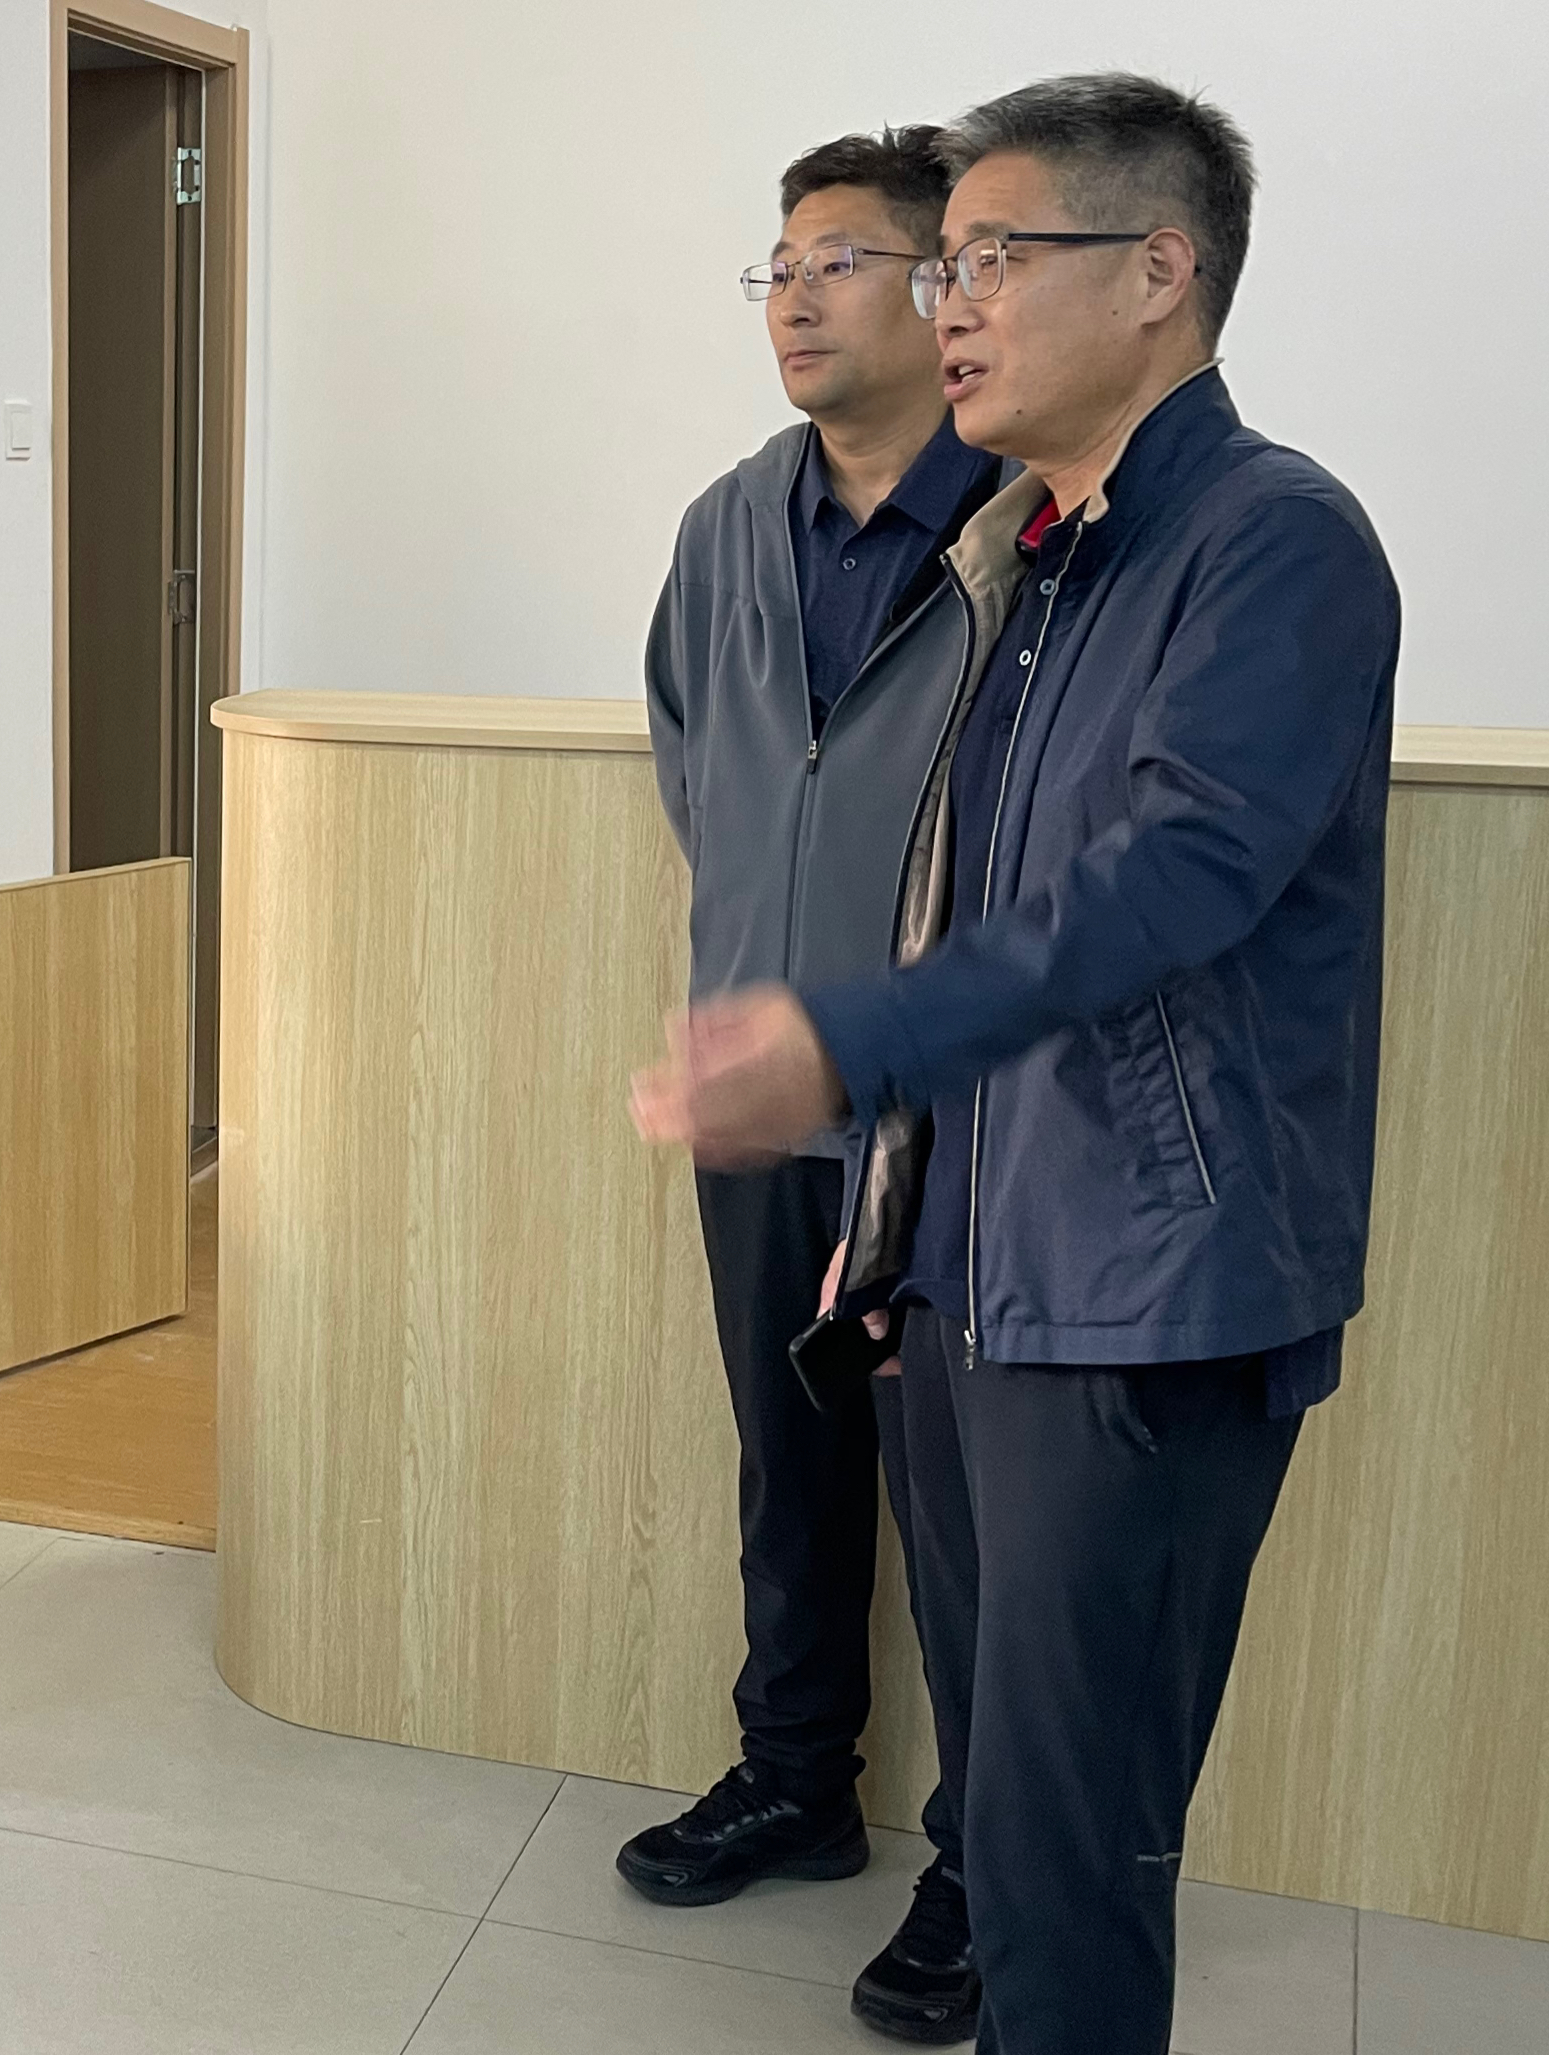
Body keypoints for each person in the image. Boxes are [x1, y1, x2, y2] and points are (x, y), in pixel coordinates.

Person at [631, 74, 1401, 2053]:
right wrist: (904, 1226)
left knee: (1065, 1851)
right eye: (945, 262)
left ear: (1157, 273)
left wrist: (836, 1043)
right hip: (983, 1260)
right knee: (1013, 1794)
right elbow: (950, 903)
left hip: (1147, 1288)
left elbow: (1168, 883)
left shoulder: (1270, 541)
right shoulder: (1042, 557)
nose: (947, 299)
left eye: (989, 257)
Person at [628, 127, 999, 2028]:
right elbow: (694, 758)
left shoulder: (1024, 524)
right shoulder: (726, 523)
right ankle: (794, 1780)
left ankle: (983, 1870)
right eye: (775, 264)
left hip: (954, 1117)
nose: (790, 295)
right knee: (788, 1473)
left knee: (968, 1515)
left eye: (835, 260)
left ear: (942, 289)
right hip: (762, 1095)